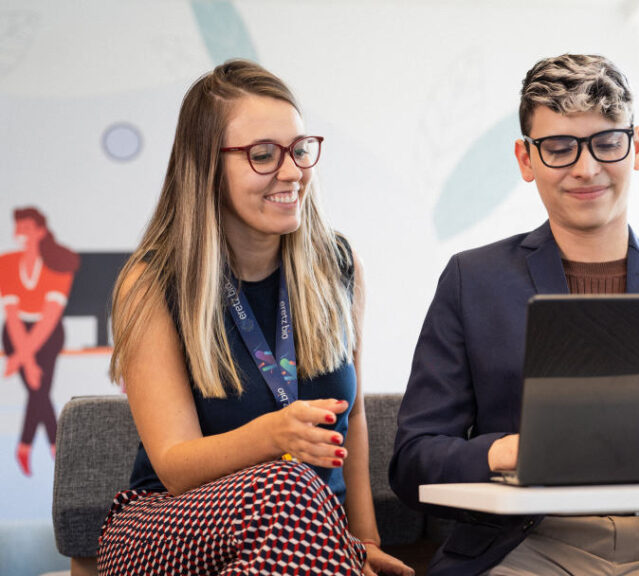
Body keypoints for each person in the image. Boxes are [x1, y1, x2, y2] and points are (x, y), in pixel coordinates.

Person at [390, 54, 639, 575]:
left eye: (606, 142)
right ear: (526, 160)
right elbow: (412, 464)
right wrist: (505, 452)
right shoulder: (472, 281)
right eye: (560, 148)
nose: (586, 168)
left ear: (635, 148)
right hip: (530, 547)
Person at [97, 60, 413, 576]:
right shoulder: (151, 281)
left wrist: (366, 540)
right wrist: (273, 436)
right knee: (287, 484)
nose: (291, 171)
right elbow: (175, 467)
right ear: (205, 167)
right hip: (164, 529)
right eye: (263, 155)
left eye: (300, 149)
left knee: (293, 516)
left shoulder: (338, 264)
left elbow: (350, 418)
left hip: (308, 541)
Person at [0, 207, 79, 477]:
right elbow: (11, 314)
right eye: (17, 228)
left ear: (40, 231)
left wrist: (23, 358)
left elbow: (49, 316)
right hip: (15, 333)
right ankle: (56, 447)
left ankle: (25, 446)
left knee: (38, 389)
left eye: (25, 228)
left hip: (48, 334)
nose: (19, 234)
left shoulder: (59, 263)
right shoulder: (7, 262)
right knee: (40, 390)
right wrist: (24, 356)